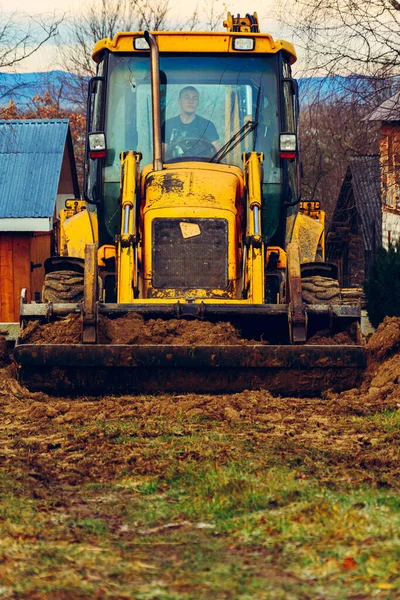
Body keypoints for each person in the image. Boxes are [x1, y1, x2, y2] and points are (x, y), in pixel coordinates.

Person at [162, 86, 220, 158]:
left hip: (202, 167)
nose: (191, 101)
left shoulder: (207, 125)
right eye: (186, 97)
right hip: (174, 167)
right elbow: (162, 154)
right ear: (179, 101)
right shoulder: (168, 125)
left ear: (198, 102)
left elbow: (218, 152)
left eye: (195, 98)